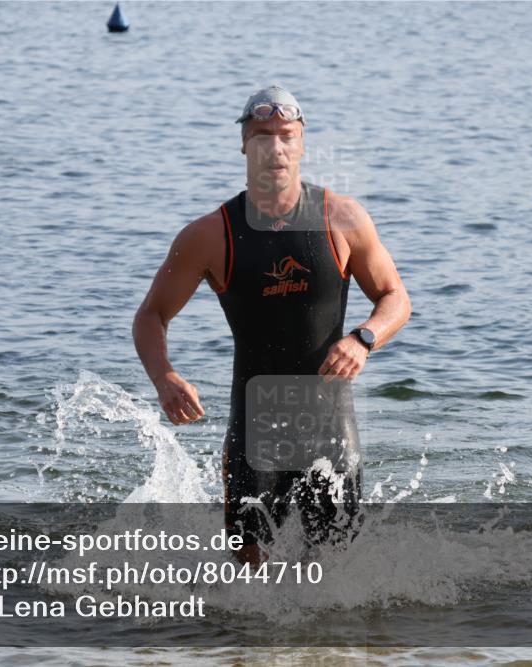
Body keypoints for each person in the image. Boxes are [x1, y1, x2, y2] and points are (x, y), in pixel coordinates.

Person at [132, 85, 411, 564]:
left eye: (286, 135)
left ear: (302, 143)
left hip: (330, 431)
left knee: (337, 583)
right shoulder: (209, 235)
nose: (275, 148)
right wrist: (165, 377)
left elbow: (395, 298)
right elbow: (151, 315)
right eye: (262, 135)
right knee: (247, 588)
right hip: (253, 433)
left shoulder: (342, 218)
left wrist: (364, 339)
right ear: (244, 143)